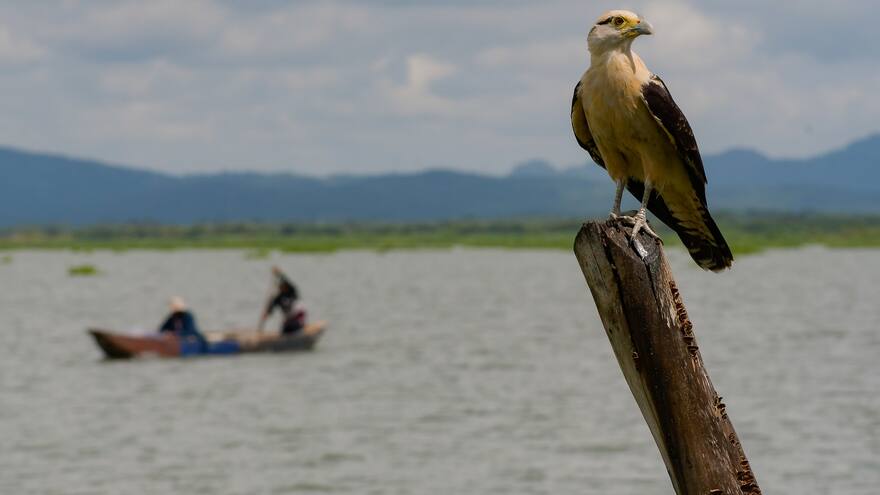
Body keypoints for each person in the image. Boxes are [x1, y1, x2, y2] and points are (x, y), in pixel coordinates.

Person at [258, 266, 306, 335]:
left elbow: (286, 281)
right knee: (285, 330)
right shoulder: (278, 298)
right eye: (281, 286)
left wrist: (279, 273)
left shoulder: (292, 292)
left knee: (294, 327)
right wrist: (266, 314)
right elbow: (271, 308)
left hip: (298, 317)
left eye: (284, 286)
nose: (282, 288)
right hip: (288, 319)